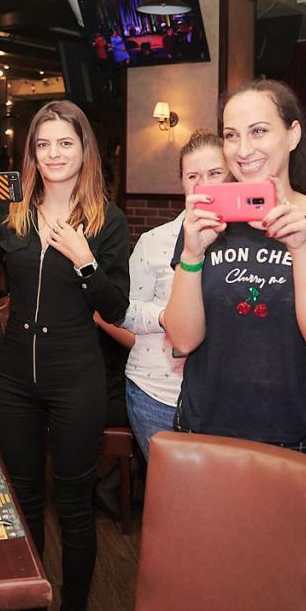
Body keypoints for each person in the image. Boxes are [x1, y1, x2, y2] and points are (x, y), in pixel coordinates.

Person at [0, 100, 130, 611]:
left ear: (84, 150)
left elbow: (116, 307)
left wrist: (85, 260)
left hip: (76, 376)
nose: (54, 153)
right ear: (31, 153)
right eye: (43, 144)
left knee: (73, 504)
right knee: (24, 501)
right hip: (14, 381)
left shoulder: (107, 220)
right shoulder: (13, 215)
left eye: (65, 143)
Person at [166, 79, 306, 461]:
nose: (243, 150)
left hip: (299, 436)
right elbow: (183, 340)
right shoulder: (204, 222)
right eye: (231, 135)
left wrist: (301, 248)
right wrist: (192, 253)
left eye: (258, 131)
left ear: (292, 134)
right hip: (204, 428)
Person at [122, 130, 228, 458]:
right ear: (181, 182)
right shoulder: (155, 241)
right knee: (172, 488)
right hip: (159, 393)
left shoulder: (250, 243)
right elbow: (124, 310)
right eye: (193, 176)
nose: (203, 185)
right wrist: (165, 317)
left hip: (225, 399)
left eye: (215, 173)